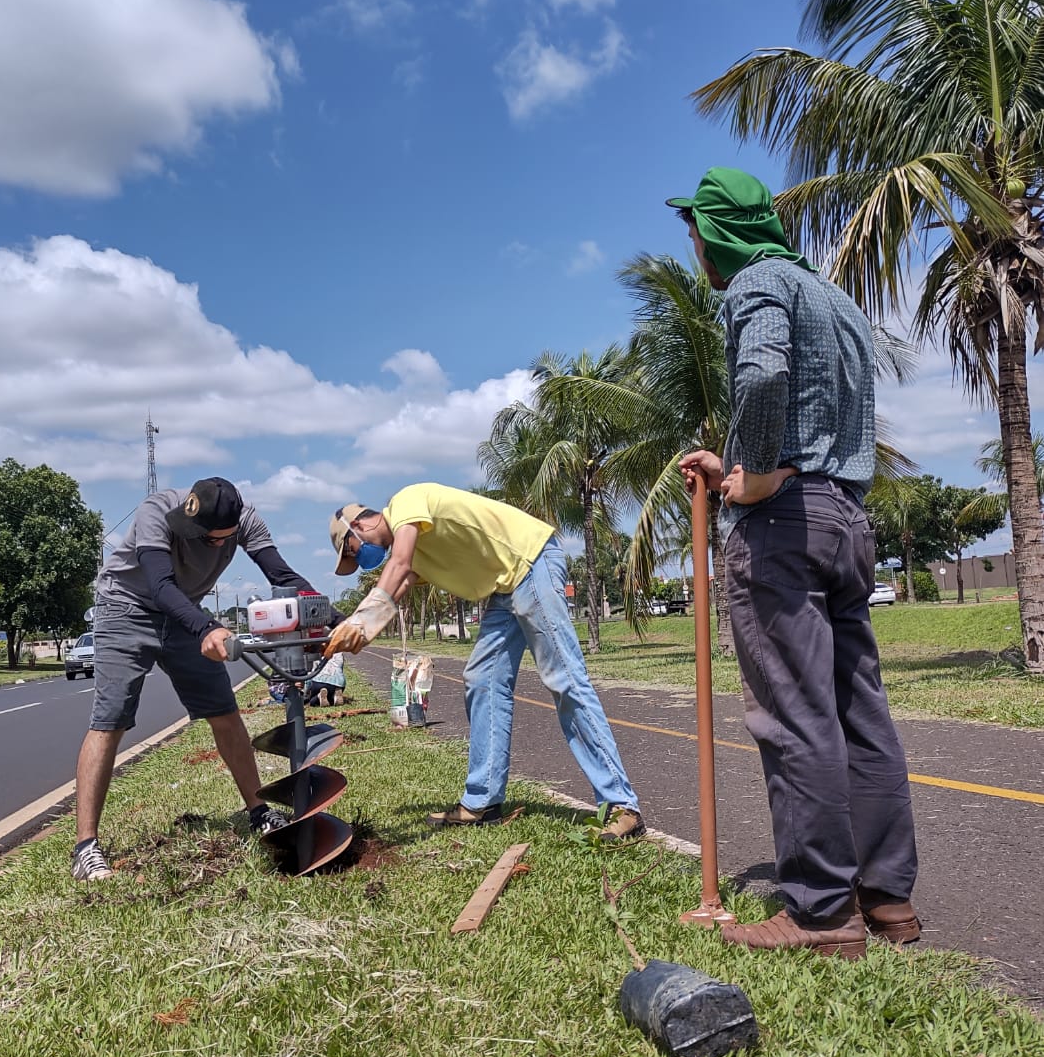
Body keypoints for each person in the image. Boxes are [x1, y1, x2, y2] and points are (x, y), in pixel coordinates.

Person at [671, 167, 919, 958]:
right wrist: (746, 467)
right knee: (860, 713)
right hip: (846, 515)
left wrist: (758, 472)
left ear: (716, 234)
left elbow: (765, 372)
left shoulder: (753, 284)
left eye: (695, 235)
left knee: (794, 716)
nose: (695, 250)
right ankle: (885, 900)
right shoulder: (835, 299)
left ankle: (819, 911)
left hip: (785, 524)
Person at [323, 487, 644, 840]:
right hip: (504, 588)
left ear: (359, 525)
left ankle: (621, 805)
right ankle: (482, 802)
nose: (366, 560)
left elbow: (398, 564)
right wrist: (358, 627)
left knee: (564, 678)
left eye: (355, 552)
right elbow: (401, 581)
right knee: (481, 678)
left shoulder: (404, 502)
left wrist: (363, 622)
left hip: (531, 562)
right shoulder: (413, 553)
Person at [72, 477, 324, 882]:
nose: (203, 543)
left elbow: (280, 573)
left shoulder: (247, 521)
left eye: (212, 539)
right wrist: (206, 627)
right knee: (111, 719)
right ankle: (86, 847)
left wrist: (328, 615)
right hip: (126, 608)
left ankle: (258, 811)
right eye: (196, 534)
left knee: (224, 711)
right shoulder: (156, 511)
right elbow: (160, 584)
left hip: (186, 610)